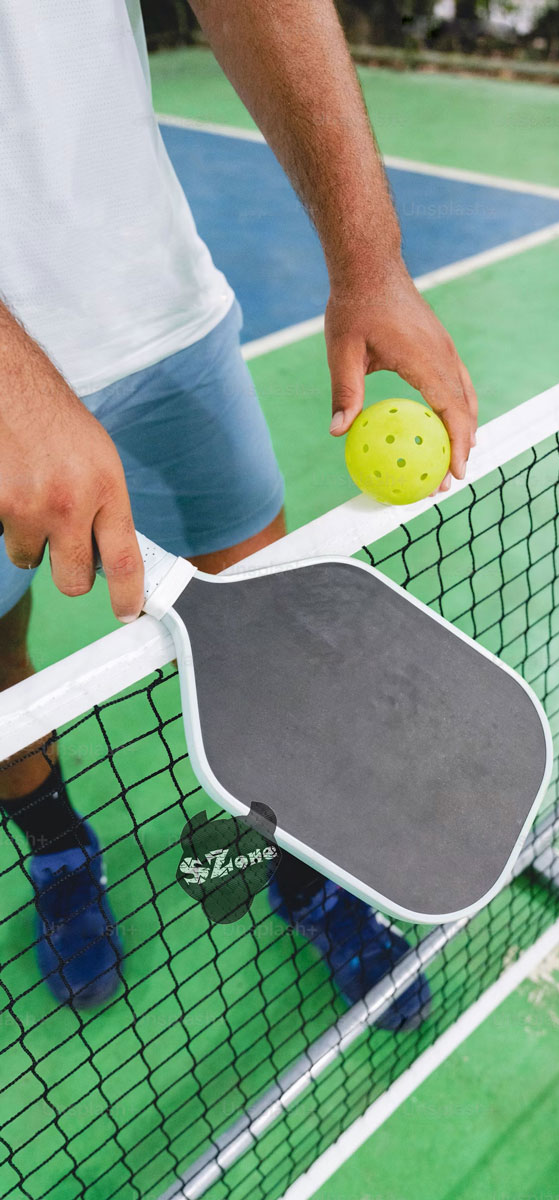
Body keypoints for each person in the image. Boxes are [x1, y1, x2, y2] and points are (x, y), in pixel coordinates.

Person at [0, 0, 477, 1029]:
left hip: (160, 315)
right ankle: (59, 848)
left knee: (278, 648)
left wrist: (370, 261)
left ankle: (301, 875)